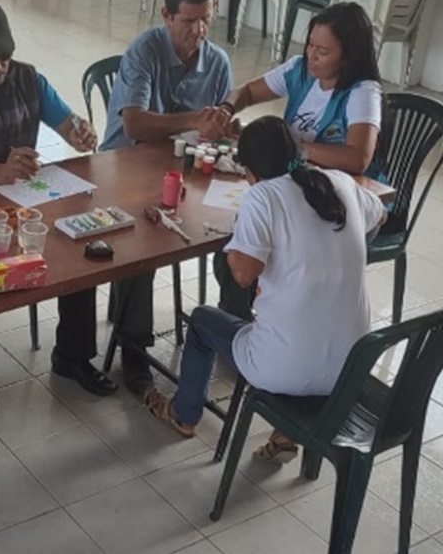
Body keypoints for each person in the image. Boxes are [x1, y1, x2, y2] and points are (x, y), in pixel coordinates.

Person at [151, 116, 385, 462]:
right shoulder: (339, 182)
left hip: (285, 367)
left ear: (249, 172)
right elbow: (379, 217)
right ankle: (286, 431)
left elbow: (243, 275)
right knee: (302, 328)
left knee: (201, 321)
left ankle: (183, 415)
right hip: (351, 368)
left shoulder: (261, 197)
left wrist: (239, 241)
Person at [0, 0, 116, 418]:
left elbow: (67, 122)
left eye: (4, 56)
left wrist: (80, 133)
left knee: (77, 247)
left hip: (26, 201)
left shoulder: (29, 80)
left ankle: (72, 355)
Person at [99, 0, 234, 398]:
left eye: (206, 19)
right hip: (124, 167)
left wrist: (226, 131)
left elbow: (221, 127)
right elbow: (135, 124)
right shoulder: (145, 50)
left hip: (184, 171)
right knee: (142, 243)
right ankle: (134, 349)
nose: (199, 31)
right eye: (189, 21)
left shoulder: (217, 63)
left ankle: (236, 330)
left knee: (240, 226)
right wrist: (194, 120)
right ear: (166, 15)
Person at [215, 1, 385, 321]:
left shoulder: (362, 92)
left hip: (340, 201)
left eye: (323, 51)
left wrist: (293, 147)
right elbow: (247, 92)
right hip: (296, 188)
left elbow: (358, 158)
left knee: (249, 253)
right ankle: (248, 321)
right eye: (310, 45)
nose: (312, 56)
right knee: (239, 241)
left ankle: (251, 324)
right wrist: (227, 108)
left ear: (348, 55)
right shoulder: (299, 70)